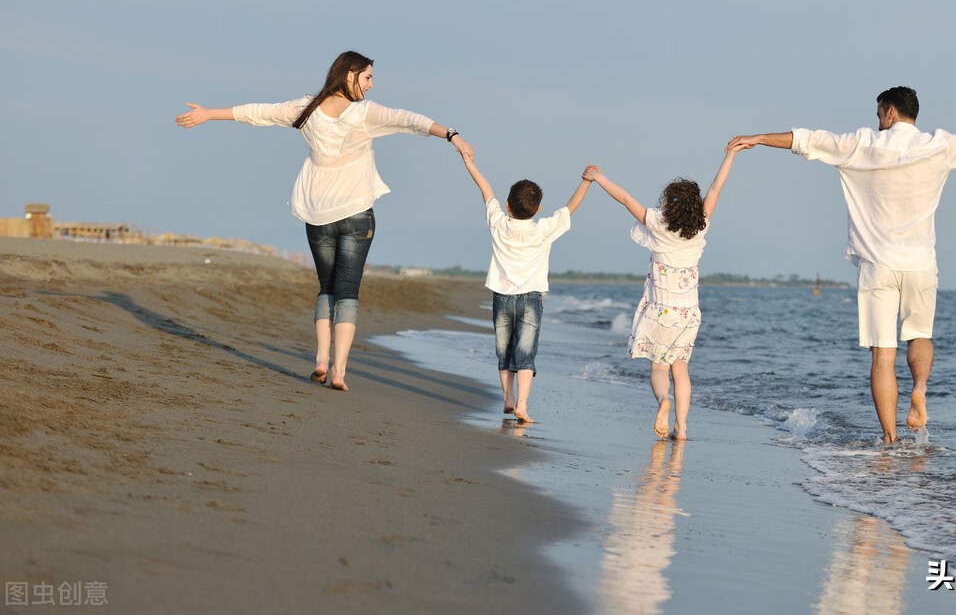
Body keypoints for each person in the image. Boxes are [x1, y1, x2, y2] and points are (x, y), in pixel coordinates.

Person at [727, 88, 956, 443]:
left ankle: (890, 441)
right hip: (921, 263)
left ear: (889, 112)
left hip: (878, 266)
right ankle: (919, 388)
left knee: (882, 355)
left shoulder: (860, 145)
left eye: (878, 116)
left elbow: (805, 140)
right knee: (920, 337)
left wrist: (759, 138)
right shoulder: (939, 145)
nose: (876, 123)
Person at [175, 50, 472, 392]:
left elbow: (258, 113)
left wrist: (209, 114)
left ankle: (319, 359)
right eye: (368, 77)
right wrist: (452, 135)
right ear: (350, 75)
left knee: (327, 287)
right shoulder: (364, 114)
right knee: (347, 292)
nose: (372, 86)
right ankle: (339, 371)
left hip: (317, 215)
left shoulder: (308, 107)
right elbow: (411, 120)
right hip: (357, 214)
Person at [583, 146, 746, 440]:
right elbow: (716, 186)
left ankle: (663, 401)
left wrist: (598, 177)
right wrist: (730, 155)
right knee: (681, 370)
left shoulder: (657, 223)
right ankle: (681, 429)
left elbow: (623, 198)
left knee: (659, 370)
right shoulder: (702, 225)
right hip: (688, 314)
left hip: (659, 311)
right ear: (695, 207)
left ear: (668, 206)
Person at [458, 149, 593, 423]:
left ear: (507, 204)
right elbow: (570, 207)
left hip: (502, 297)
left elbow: (485, 189)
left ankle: (507, 398)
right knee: (525, 354)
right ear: (538, 209)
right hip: (531, 299)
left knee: (504, 350)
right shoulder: (543, 229)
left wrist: (469, 163)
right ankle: (522, 404)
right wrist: (587, 181)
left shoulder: (497, 223)